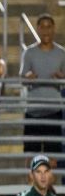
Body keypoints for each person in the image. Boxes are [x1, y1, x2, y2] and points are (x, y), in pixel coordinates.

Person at [19, 13, 65, 157]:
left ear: (54, 29)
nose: (46, 30)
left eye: (49, 27)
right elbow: (22, 78)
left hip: (54, 111)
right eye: (42, 27)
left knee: (53, 158)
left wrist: (62, 77)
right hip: (33, 111)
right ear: (38, 29)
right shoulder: (29, 53)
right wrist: (27, 77)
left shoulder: (62, 53)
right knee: (31, 156)